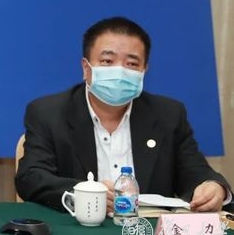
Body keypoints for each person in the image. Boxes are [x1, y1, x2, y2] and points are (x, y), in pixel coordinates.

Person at [15, 16, 231, 213]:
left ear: (144, 71)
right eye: (107, 61)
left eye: (131, 64)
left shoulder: (169, 115)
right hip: (77, 231)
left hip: (145, 232)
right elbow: (30, 178)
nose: (119, 71)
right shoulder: (48, 113)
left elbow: (195, 173)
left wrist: (213, 187)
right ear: (86, 68)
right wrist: (83, 193)